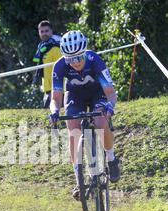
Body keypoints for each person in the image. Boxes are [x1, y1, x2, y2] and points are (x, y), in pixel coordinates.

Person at [48, 30, 120, 200]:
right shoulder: (59, 66)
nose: (75, 62)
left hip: (98, 93)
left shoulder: (95, 60)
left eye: (79, 57)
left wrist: (109, 106)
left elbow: (110, 93)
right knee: (73, 132)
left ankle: (111, 158)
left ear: (84, 53)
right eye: (70, 59)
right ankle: (78, 180)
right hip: (75, 95)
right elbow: (55, 98)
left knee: (101, 122)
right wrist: (54, 112)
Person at [33, 20, 62, 108]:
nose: (44, 33)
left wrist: (56, 89)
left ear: (51, 31)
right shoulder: (42, 46)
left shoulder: (56, 46)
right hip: (47, 87)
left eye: (47, 31)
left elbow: (60, 69)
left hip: (59, 88)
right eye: (42, 31)